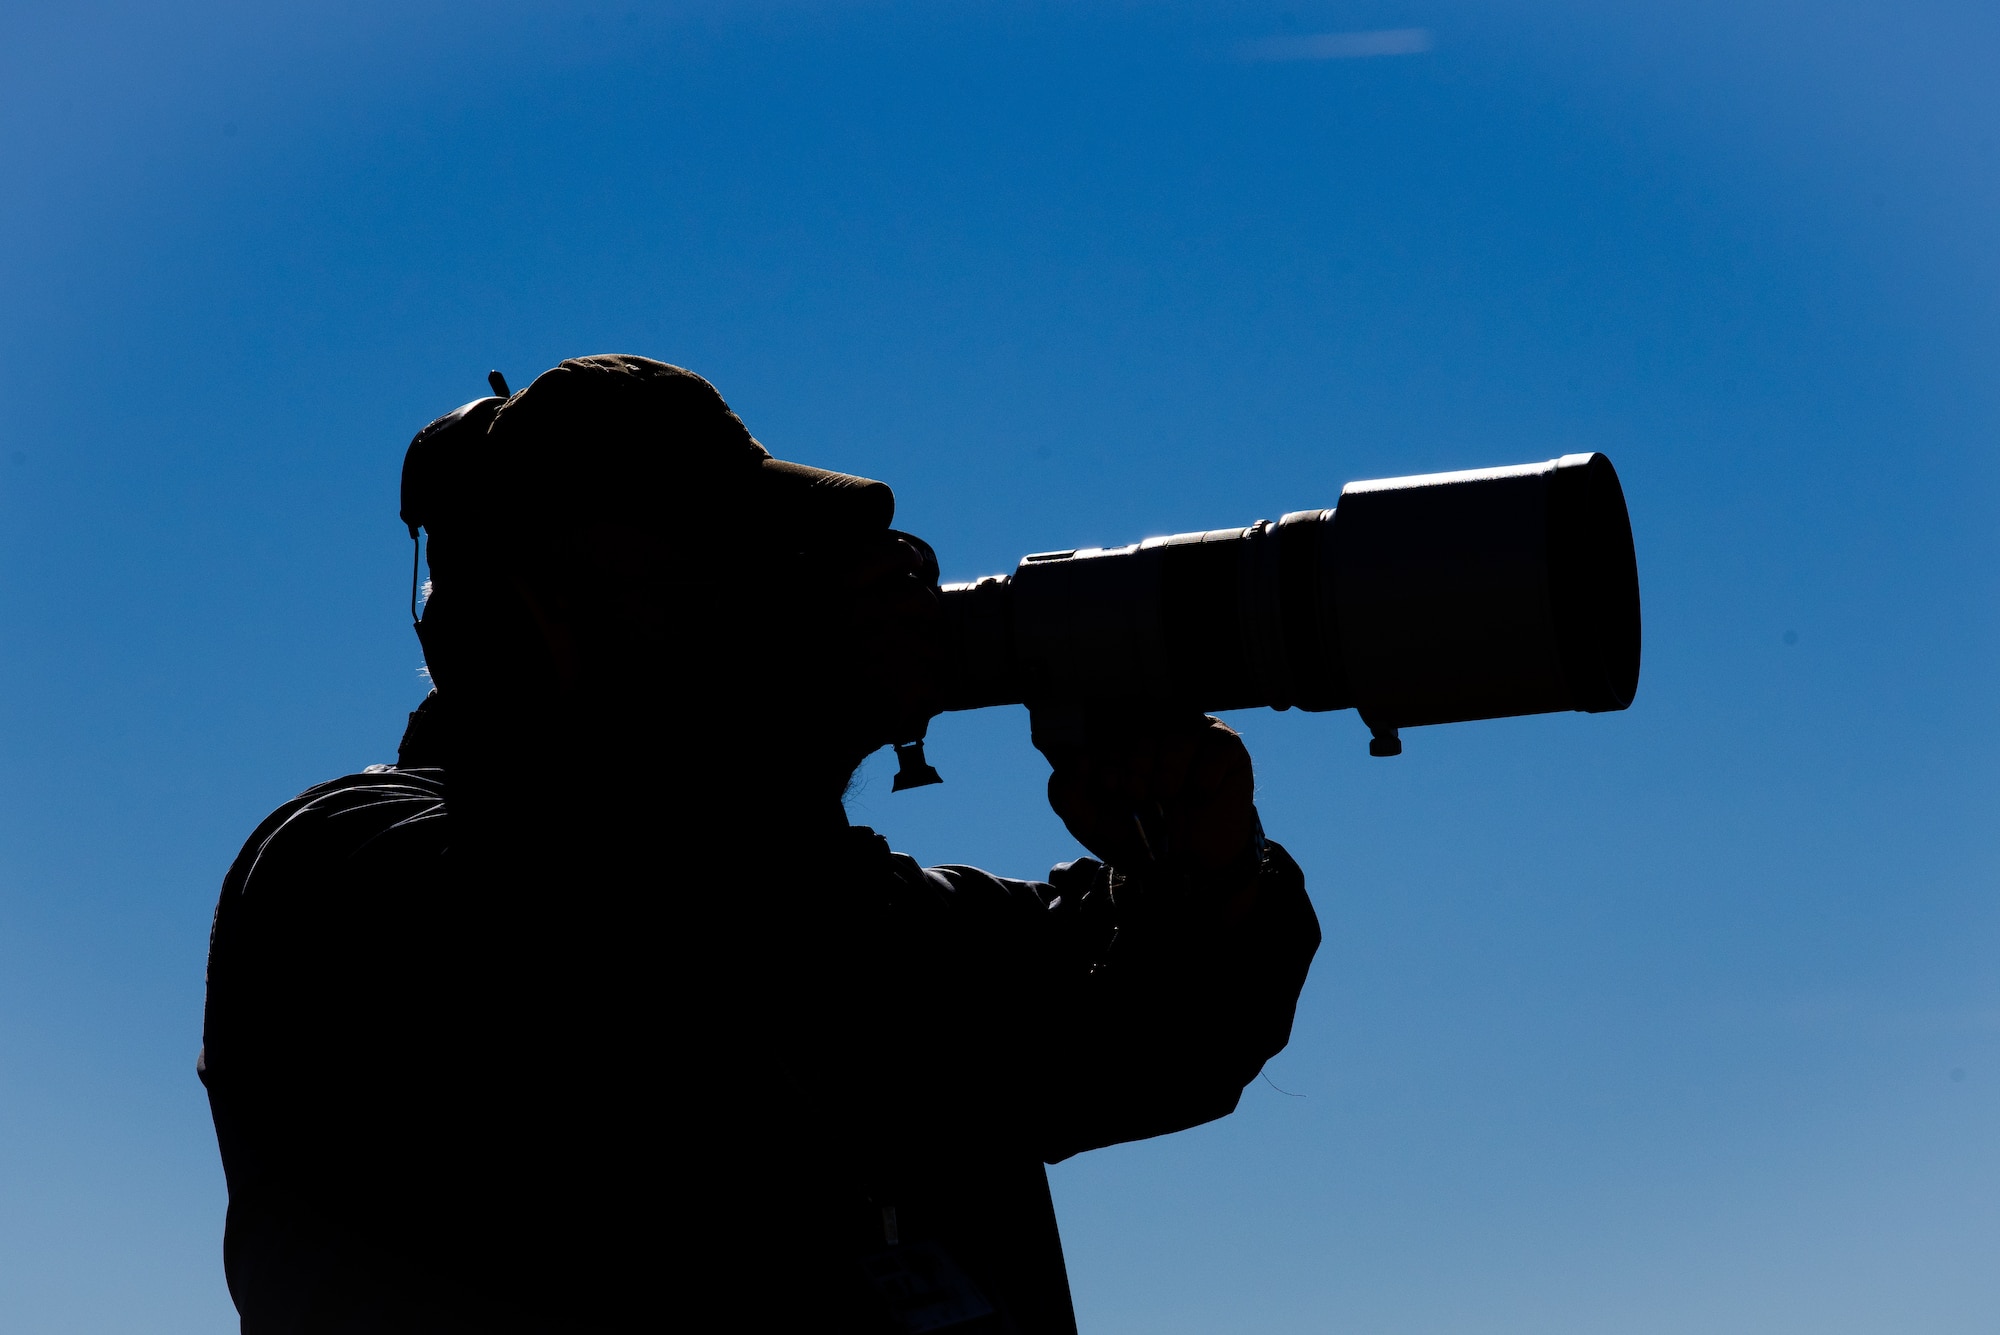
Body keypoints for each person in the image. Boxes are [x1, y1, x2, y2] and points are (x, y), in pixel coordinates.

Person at [198, 354, 1321, 1333]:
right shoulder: (344, 874)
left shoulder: (850, 904)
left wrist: (1200, 872)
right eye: (716, 566)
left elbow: (1143, 1042)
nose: (780, 595)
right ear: (546, 605)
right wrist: (796, 723)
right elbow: (613, 967)